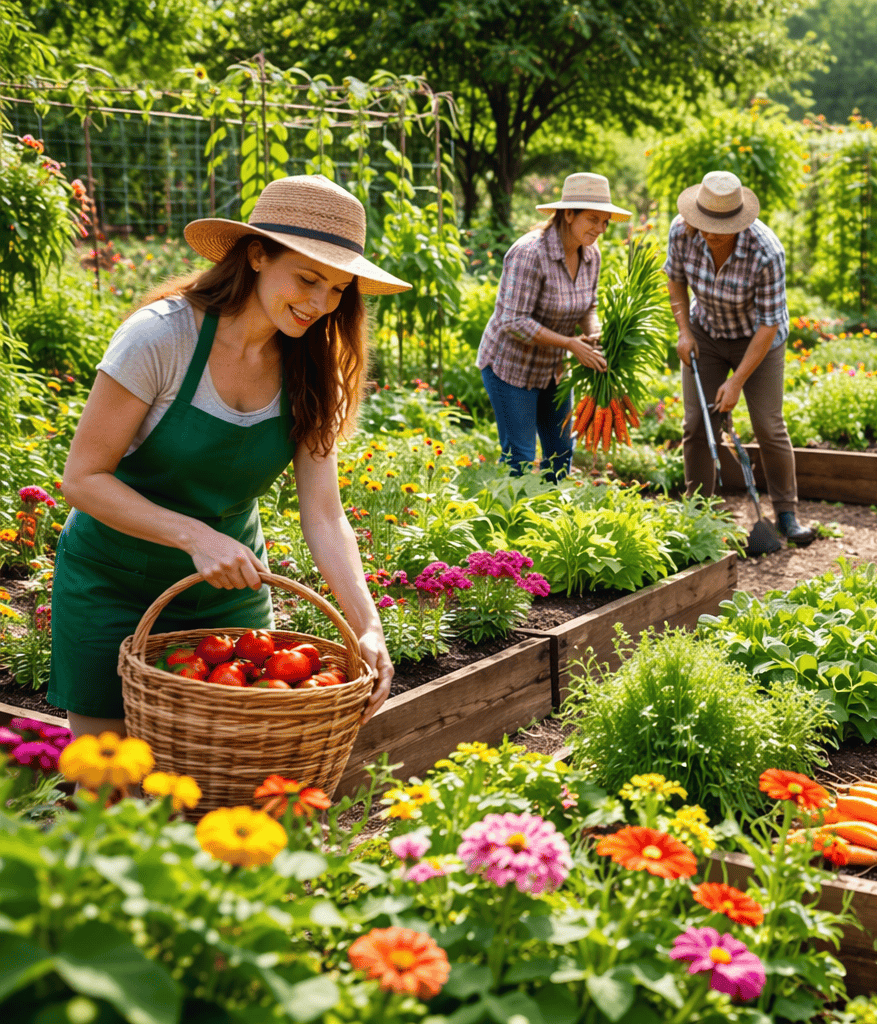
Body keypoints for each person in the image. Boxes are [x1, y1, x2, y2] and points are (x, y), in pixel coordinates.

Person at [51, 175, 407, 737]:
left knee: (234, 774)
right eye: (309, 278)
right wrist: (196, 537)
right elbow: (83, 479)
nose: (320, 303)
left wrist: (367, 626)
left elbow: (324, 512)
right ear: (257, 255)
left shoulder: (315, 367)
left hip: (228, 595)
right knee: (108, 789)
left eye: (338, 289)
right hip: (111, 583)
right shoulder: (160, 339)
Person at [666, 170, 814, 547]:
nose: (707, 232)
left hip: (757, 339)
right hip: (706, 332)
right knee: (699, 422)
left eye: (718, 227)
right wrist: (683, 330)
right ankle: (698, 513)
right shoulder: (682, 232)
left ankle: (786, 513)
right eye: (702, 223)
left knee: (767, 423)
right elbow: (676, 280)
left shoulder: (766, 252)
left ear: (738, 222)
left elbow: (768, 326)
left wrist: (736, 382)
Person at [477, 172, 630, 478]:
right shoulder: (530, 253)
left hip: (553, 371)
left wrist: (594, 334)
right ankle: (510, 521)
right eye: (593, 219)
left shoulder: (591, 254)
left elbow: (589, 305)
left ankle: (549, 518)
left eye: (606, 222)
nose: (601, 229)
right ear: (568, 214)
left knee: (561, 454)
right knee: (519, 458)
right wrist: (571, 344)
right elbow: (513, 321)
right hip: (510, 369)